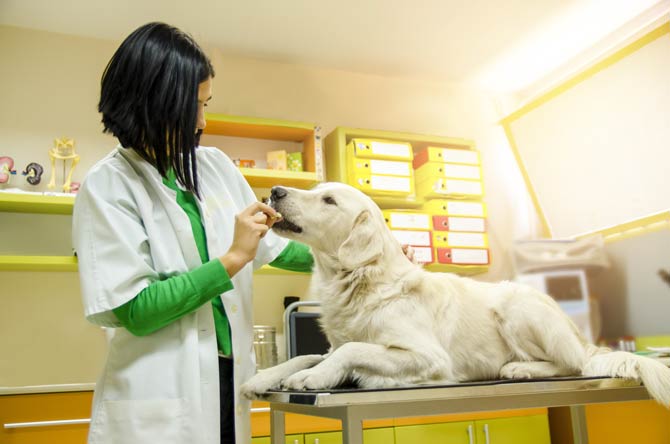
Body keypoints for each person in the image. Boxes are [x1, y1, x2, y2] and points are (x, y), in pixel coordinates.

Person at [72, 22, 313, 444]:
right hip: (162, 392)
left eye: (206, 103)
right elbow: (137, 309)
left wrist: (362, 251)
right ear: (152, 102)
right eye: (192, 106)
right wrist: (232, 258)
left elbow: (274, 247)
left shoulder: (214, 166)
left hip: (227, 380)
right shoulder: (109, 185)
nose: (202, 120)